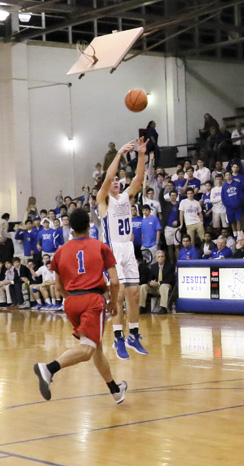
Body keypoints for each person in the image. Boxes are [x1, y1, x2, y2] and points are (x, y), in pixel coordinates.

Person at [32, 208, 127, 404]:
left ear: (71, 229)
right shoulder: (101, 247)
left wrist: (73, 299)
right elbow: (115, 281)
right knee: (86, 350)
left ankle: (115, 390)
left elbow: (59, 287)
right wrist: (112, 302)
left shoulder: (60, 251)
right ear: (89, 227)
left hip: (71, 302)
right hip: (93, 300)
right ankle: (49, 368)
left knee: (95, 347)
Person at [97, 138, 148, 359]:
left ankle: (133, 335)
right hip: (113, 251)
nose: (116, 181)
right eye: (113, 180)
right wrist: (119, 154)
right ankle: (118, 337)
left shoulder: (127, 197)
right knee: (117, 297)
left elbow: (139, 177)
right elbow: (109, 176)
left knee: (134, 294)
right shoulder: (103, 200)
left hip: (128, 248)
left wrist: (141, 155)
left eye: (119, 180)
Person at [139, 250, 174, 314]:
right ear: (156, 259)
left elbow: (170, 279)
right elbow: (149, 279)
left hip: (165, 286)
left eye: (162, 256)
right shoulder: (153, 266)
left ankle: (163, 308)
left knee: (163, 286)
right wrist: (150, 283)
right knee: (143, 286)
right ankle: (142, 307)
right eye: (159, 257)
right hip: (156, 287)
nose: (160, 258)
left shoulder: (170, 266)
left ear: (164, 258)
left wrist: (159, 283)